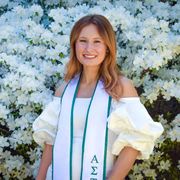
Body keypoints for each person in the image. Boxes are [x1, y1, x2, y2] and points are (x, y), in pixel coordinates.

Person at [33, 14, 164, 180]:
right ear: (74, 45)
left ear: (107, 46)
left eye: (97, 41)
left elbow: (134, 142)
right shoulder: (64, 90)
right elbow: (50, 143)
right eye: (83, 41)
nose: (89, 49)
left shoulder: (120, 88)